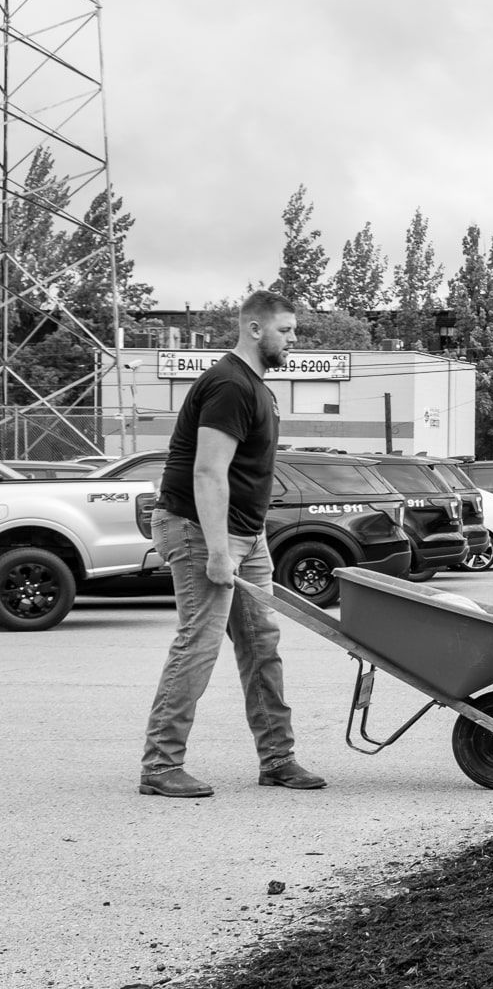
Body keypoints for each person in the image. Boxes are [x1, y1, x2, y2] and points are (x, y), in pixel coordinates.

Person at [139, 289, 326, 798]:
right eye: (286, 330)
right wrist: (220, 551)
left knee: (261, 645)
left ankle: (278, 759)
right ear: (254, 329)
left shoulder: (257, 388)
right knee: (198, 642)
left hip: (244, 534)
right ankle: (160, 765)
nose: (293, 339)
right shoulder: (229, 385)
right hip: (201, 532)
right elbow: (208, 471)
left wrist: (249, 536)